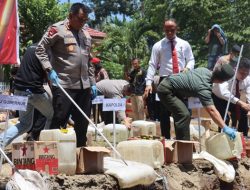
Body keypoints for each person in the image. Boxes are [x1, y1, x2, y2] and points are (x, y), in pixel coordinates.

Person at [36, 3, 96, 147]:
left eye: (85, 20)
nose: (83, 23)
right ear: (71, 16)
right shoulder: (57, 29)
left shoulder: (86, 34)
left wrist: (93, 83)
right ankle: (52, 154)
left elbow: (89, 60)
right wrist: (49, 70)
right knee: (60, 119)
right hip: (64, 84)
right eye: (80, 19)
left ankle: (78, 153)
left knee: (83, 120)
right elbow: (40, 49)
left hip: (84, 85)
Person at [144, 18, 195, 139]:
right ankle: (166, 140)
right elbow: (152, 64)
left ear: (176, 29)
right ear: (164, 30)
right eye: (167, 31)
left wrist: (187, 68)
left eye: (172, 30)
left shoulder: (184, 44)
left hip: (181, 80)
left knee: (183, 112)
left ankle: (182, 140)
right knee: (163, 113)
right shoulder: (158, 46)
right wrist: (148, 83)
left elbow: (191, 60)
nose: (169, 33)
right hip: (164, 81)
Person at [157, 64, 236, 141]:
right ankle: (183, 146)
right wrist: (225, 127)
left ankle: (180, 141)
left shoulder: (204, 70)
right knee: (184, 115)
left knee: (185, 113)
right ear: (222, 81)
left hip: (172, 87)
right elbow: (212, 110)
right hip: (167, 90)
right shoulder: (204, 87)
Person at [0, 43, 54, 146]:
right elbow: (48, 72)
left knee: (25, 124)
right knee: (52, 116)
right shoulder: (47, 50)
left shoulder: (30, 48)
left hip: (19, 89)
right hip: (34, 90)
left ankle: (1, 141)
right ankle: (46, 147)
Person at [212, 58, 250, 136]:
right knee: (225, 118)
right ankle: (223, 136)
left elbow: (249, 92)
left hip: (233, 98)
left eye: (246, 73)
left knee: (244, 112)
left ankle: (243, 135)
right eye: (242, 73)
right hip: (219, 97)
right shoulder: (228, 75)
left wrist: (249, 105)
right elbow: (223, 92)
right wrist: (240, 102)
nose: (244, 76)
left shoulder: (248, 79)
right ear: (236, 69)